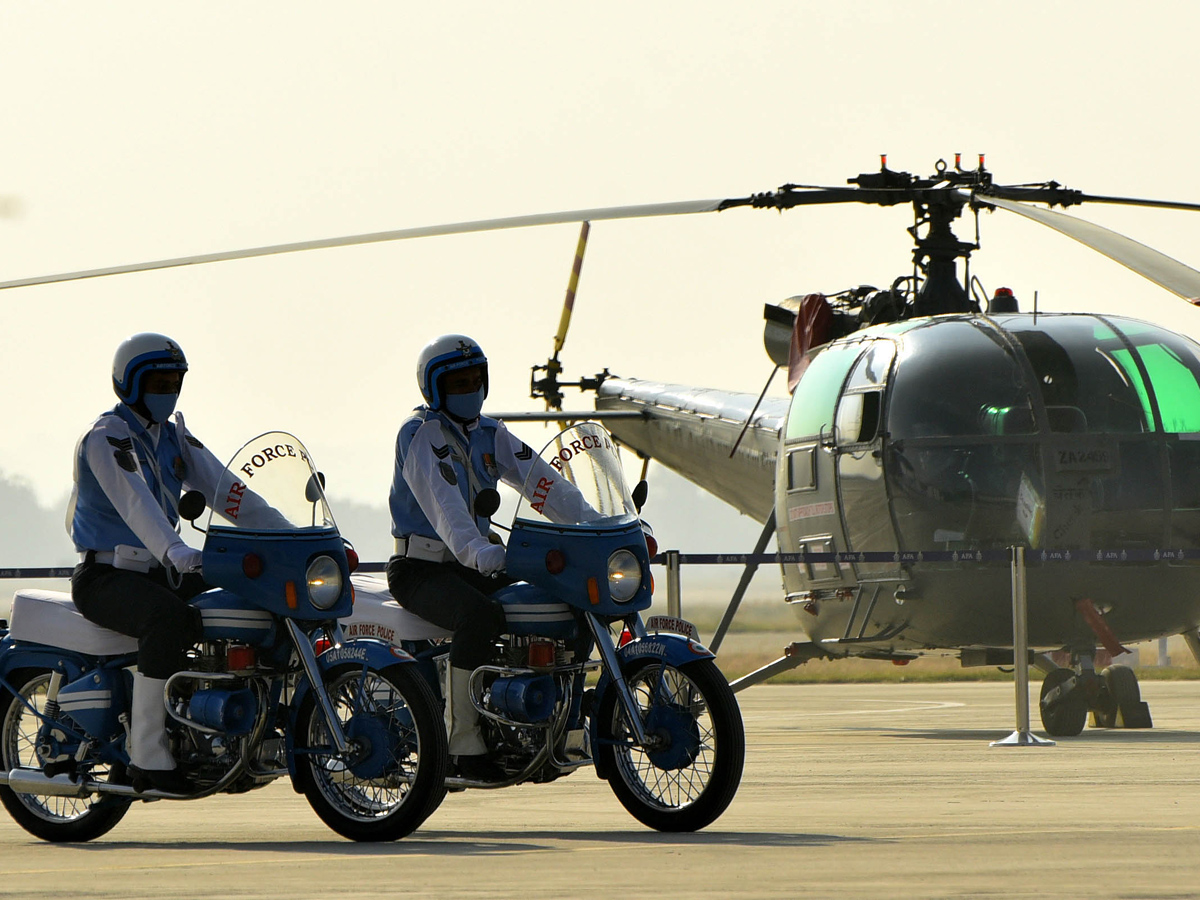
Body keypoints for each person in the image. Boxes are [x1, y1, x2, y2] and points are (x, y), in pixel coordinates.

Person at [386, 334, 595, 781]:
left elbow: (542, 483)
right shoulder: (420, 434)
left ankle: (560, 724)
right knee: (479, 617)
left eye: (475, 378)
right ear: (434, 389)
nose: (469, 388)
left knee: (567, 603)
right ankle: (463, 741)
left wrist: (594, 526)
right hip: (421, 568)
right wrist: (480, 552)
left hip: (478, 562)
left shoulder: (490, 433)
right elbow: (446, 508)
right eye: (458, 381)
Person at [69, 333, 229, 794]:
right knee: (166, 618)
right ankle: (147, 753)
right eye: (157, 380)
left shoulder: (173, 437)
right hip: (106, 576)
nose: (167, 390)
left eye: (173, 381)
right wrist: (177, 551)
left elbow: (229, 491)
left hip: (163, 570)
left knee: (242, 600)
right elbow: (136, 503)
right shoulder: (107, 437)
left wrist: (289, 532)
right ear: (129, 383)